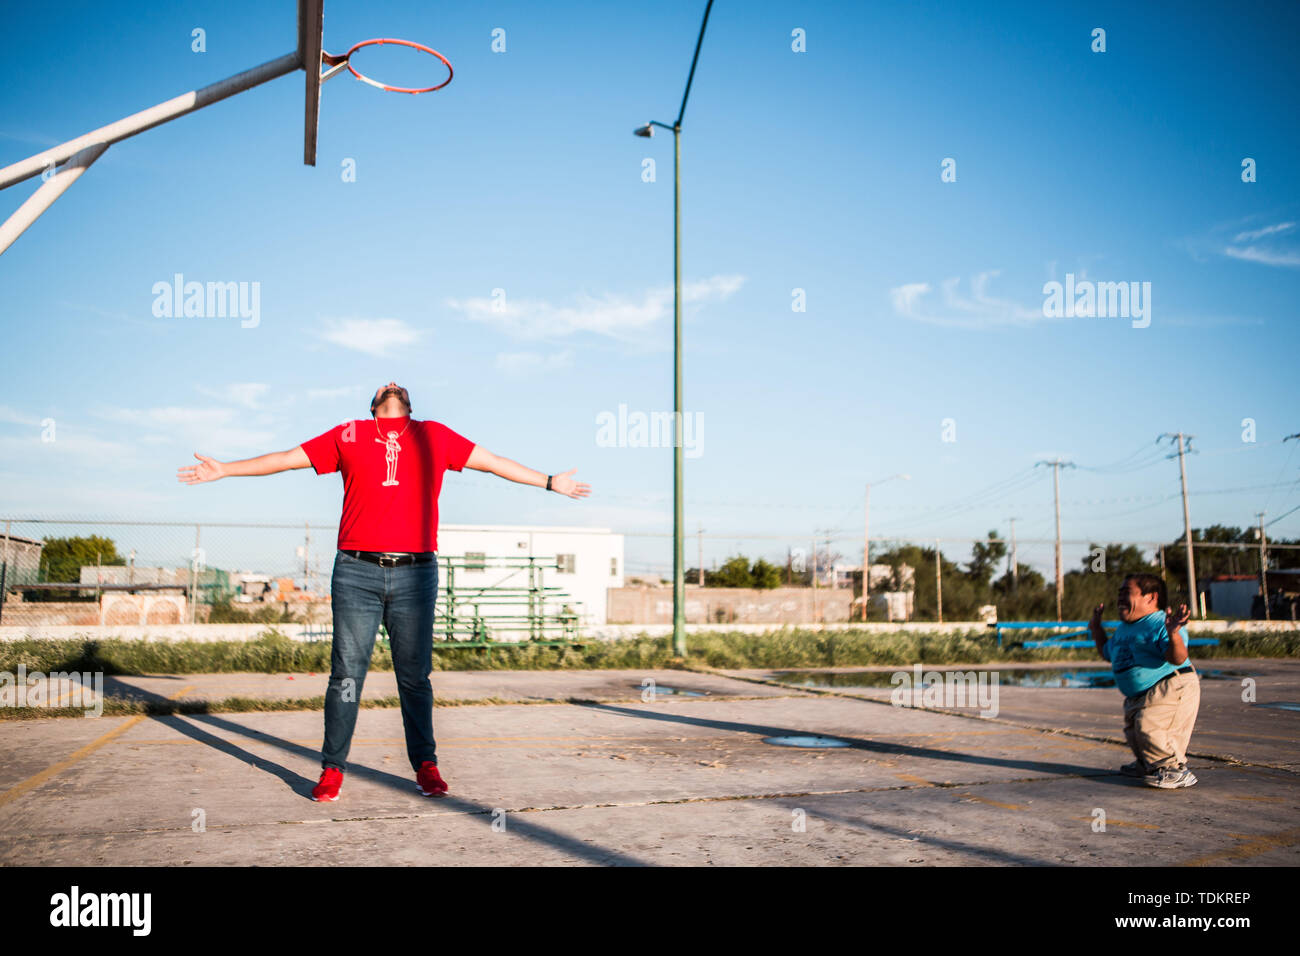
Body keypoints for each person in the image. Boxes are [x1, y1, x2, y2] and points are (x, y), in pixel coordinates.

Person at [178, 382, 591, 801]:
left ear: (408, 405)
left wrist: (549, 481)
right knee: (346, 676)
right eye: (384, 386)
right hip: (357, 571)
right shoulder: (349, 433)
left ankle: (426, 766)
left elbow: (494, 462)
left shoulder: (433, 435)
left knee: (414, 677)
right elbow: (285, 459)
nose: (391, 384)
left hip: (416, 572)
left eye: (398, 386)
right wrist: (225, 468)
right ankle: (332, 769)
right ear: (375, 405)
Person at [1090, 573, 1200, 789]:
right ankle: (1148, 765)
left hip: (1171, 685)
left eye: (1127, 593)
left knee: (1150, 726)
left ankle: (1174, 769)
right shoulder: (1124, 629)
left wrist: (1174, 633)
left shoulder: (1160, 623)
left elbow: (1178, 658)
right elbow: (1107, 653)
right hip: (1141, 694)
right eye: (1119, 593)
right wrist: (1096, 628)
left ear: (1151, 598)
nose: (1120, 598)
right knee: (1134, 732)